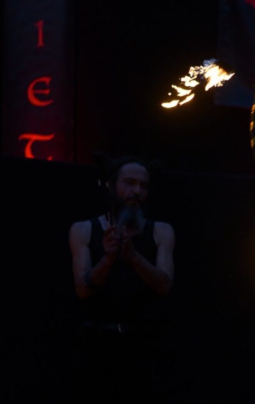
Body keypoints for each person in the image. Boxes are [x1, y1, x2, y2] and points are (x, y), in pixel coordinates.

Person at [68, 155, 176, 403]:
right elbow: (83, 290)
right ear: (110, 185)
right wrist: (108, 259)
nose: (136, 191)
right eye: (129, 183)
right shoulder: (83, 230)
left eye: (143, 185)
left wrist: (133, 257)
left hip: (145, 348)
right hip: (96, 348)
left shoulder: (161, 231)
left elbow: (165, 285)